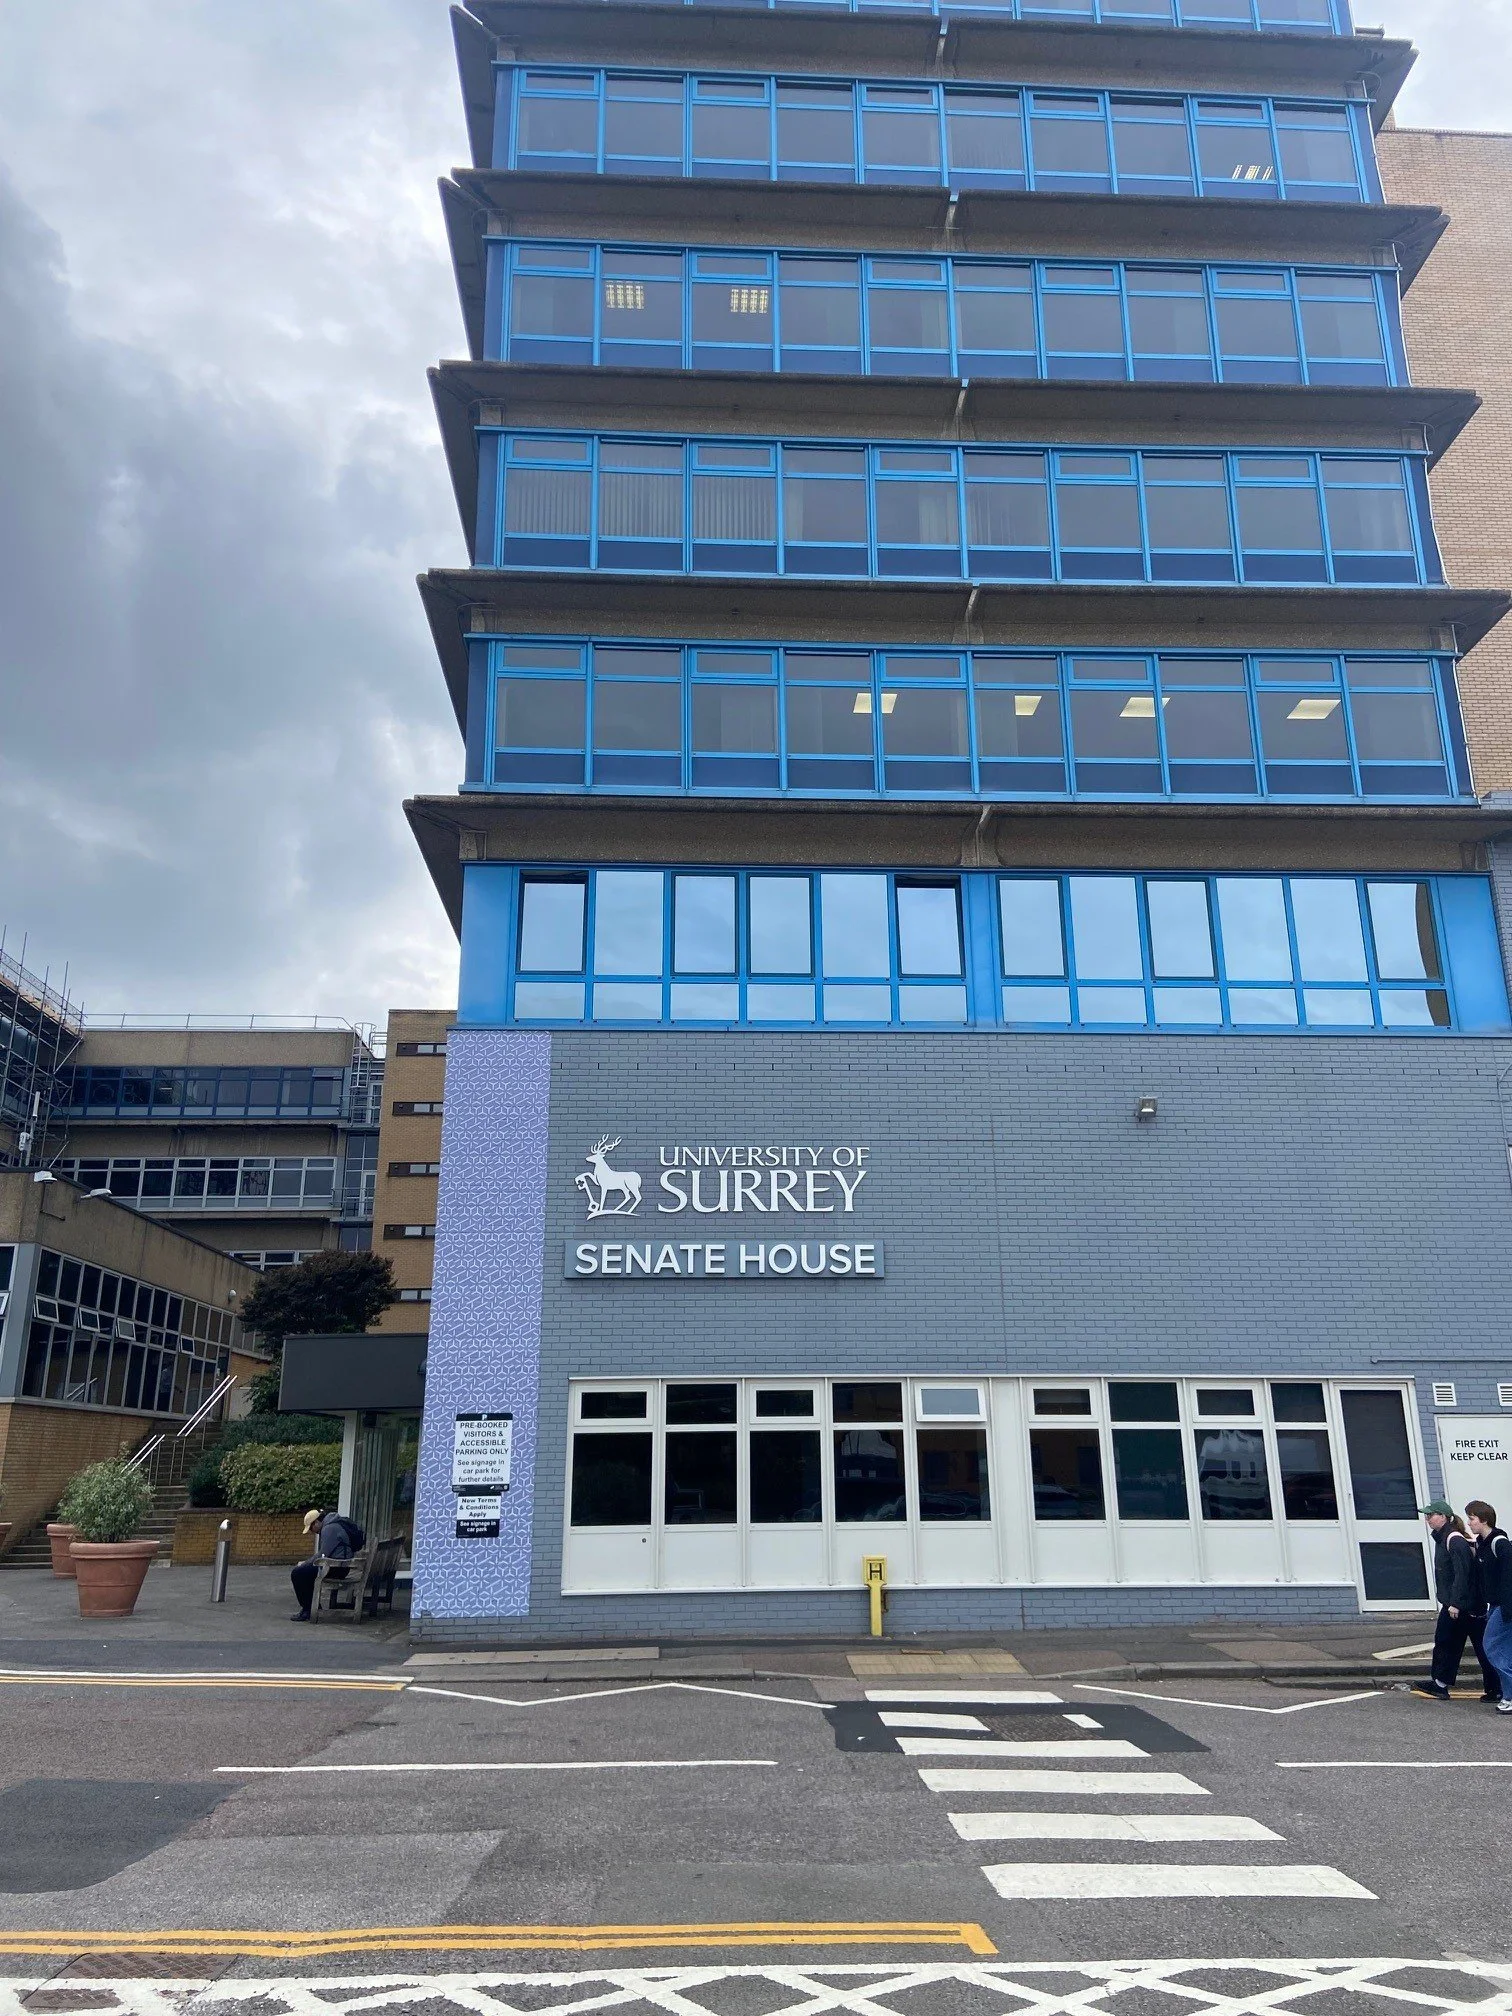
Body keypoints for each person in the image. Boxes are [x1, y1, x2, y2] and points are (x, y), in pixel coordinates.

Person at [1413, 1500, 1481, 1700]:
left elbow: (1462, 1574)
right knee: (1451, 1643)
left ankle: (1441, 1684)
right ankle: (1440, 1683)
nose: (1427, 1519)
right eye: (1426, 1515)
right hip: (1455, 1603)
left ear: (1443, 1517)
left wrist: (1455, 1603)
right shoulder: (1444, 1538)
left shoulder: (1454, 1540)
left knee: (1449, 1643)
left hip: (1458, 1605)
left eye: (1430, 1515)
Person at [1467, 1500, 1512, 1713]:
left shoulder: (1499, 1543)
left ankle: (1510, 1696)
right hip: (1495, 1605)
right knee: (1504, 1650)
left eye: (1472, 1519)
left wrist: (1507, 1608)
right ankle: (1508, 1695)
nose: (1469, 1523)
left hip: (1505, 1606)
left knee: (1492, 1646)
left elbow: (1508, 1577)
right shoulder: (1481, 1544)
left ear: (1484, 1520)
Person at [289, 1507, 366, 1622]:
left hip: (336, 1567)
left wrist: (304, 1564)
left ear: (316, 1522)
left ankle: (307, 1610)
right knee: (305, 1572)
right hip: (342, 1566)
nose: (312, 1531)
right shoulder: (333, 1524)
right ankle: (312, 1606)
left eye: (311, 1528)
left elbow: (323, 1555)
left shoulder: (329, 1529)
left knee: (297, 1574)